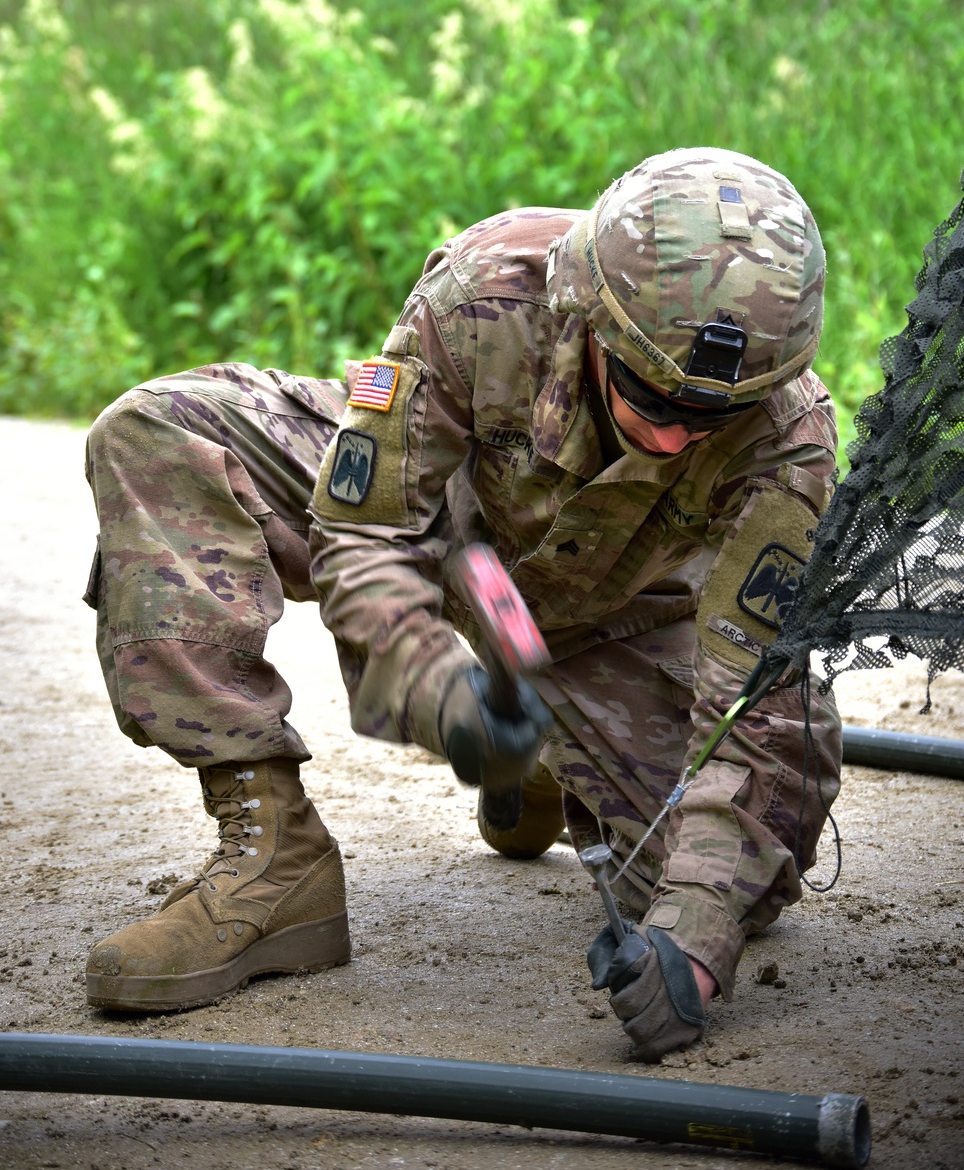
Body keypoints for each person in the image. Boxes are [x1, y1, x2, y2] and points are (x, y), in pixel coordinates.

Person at [83, 147, 840, 1058]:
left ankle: (553, 759)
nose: (676, 434)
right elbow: (368, 531)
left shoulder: (787, 443)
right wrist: (441, 690)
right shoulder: (488, 293)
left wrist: (696, 949)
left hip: (613, 616)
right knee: (159, 432)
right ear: (593, 315)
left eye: (708, 418)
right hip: (444, 516)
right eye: (648, 394)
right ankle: (275, 856)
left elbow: (758, 714)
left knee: (718, 876)